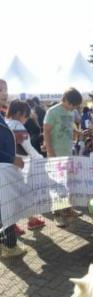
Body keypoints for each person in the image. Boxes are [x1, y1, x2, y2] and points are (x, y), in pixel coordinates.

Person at [44, 87, 83, 227]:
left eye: (75, 106)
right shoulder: (52, 111)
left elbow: (69, 126)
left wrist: (78, 132)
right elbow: (46, 132)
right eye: (72, 104)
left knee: (67, 183)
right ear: (65, 99)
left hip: (68, 153)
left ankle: (68, 209)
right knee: (56, 184)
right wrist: (50, 151)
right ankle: (57, 214)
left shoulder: (70, 112)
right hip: (55, 154)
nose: (73, 108)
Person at [6, 100, 45, 232]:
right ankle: (25, 222)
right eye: (26, 115)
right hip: (18, 166)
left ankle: (17, 224)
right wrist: (42, 159)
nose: (26, 118)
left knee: (9, 196)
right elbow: (28, 148)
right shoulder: (18, 126)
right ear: (19, 113)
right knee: (22, 194)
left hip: (6, 164)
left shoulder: (4, 123)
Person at [0, 79, 27, 258]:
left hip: (5, 167)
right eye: (2, 89)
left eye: (6, 89)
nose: (5, 93)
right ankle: (10, 246)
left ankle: (6, 245)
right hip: (3, 167)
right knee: (5, 207)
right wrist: (11, 158)